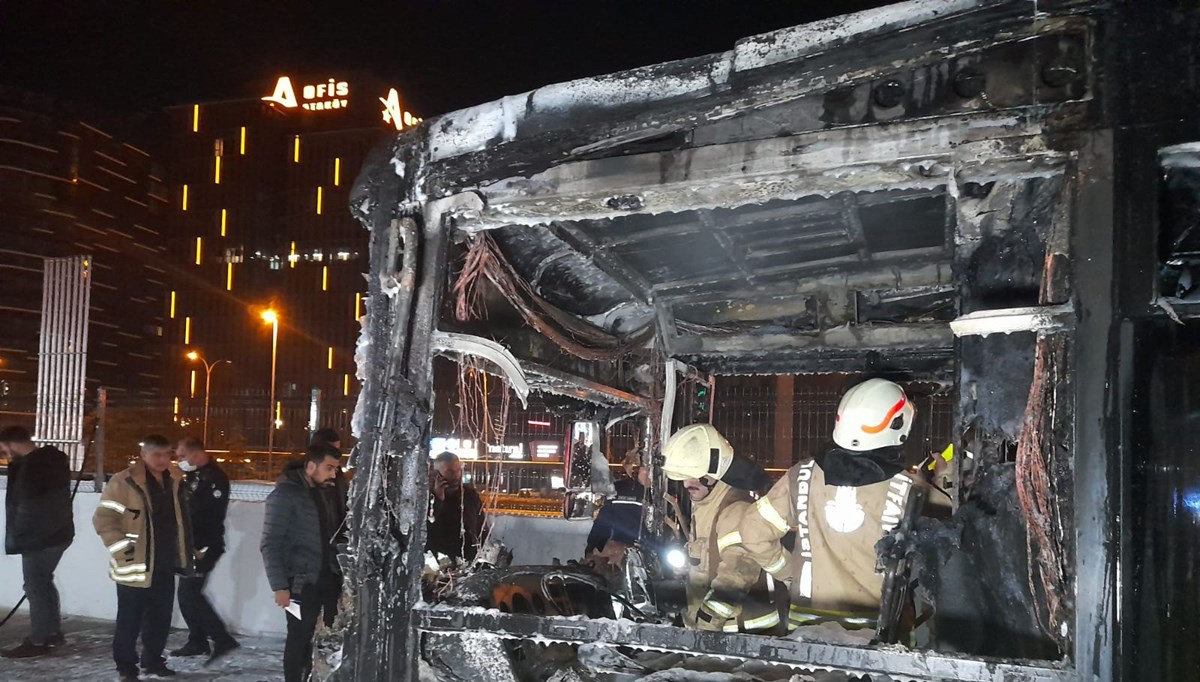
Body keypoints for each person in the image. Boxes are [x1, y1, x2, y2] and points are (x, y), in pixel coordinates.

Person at [741, 378, 924, 631]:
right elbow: (949, 549)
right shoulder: (911, 489)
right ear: (898, 424)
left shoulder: (800, 475)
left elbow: (753, 531)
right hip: (879, 631)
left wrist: (790, 574)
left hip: (806, 628)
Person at [661, 423, 782, 634]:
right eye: (683, 477)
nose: (687, 484)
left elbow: (737, 575)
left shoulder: (735, 509)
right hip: (719, 633)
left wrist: (706, 622)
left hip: (740, 636)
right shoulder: (707, 505)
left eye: (694, 476)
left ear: (717, 472)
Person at [93, 435, 195, 681]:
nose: (162, 460)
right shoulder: (123, 481)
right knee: (129, 622)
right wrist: (122, 551)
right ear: (144, 455)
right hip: (134, 566)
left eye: (166, 454)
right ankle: (126, 668)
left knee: (160, 619)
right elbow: (104, 519)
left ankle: (153, 661)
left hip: (164, 563)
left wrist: (187, 552)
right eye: (156, 455)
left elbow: (181, 521)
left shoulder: (175, 480)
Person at [261, 444, 344, 682]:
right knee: (299, 637)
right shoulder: (284, 496)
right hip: (299, 583)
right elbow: (270, 543)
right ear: (310, 466)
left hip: (326, 578)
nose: (333, 474)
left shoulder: (324, 493)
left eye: (335, 469)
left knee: (321, 638)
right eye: (329, 468)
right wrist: (279, 587)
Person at [0, 426, 74, 658]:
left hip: (38, 537)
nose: (5, 455)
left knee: (35, 587)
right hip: (57, 534)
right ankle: (52, 634)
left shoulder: (32, 468)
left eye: (4, 450)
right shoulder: (50, 462)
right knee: (43, 583)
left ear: (12, 444)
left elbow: (27, 507)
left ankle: (39, 640)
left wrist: (20, 535)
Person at [170, 437, 239, 663]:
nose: (179, 460)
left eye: (182, 456)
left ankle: (221, 638)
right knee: (187, 595)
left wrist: (199, 546)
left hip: (204, 545)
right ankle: (198, 641)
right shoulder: (193, 476)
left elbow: (205, 514)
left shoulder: (214, 479)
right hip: (190, 543)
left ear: (196, 453)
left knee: (189, 594)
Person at [426, 451, 486, 562]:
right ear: (437, 474)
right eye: (449, 471)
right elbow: (428, 527)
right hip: (439, 561)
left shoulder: (469, 495)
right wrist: (438, 499)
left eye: (458, 470)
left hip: (468, 558)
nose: (456, 475)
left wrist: (479, 551)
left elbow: (481, 526)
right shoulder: (427, 499)